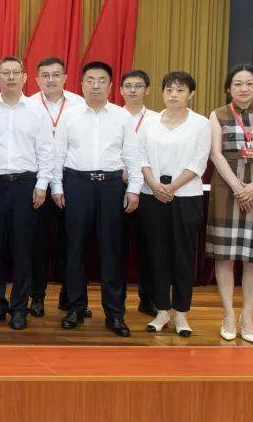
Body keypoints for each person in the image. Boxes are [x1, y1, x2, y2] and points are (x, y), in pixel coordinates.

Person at [51, 62, 142, 337]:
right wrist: (57, 186)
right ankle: (75, 308)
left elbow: (132, 155)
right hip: (77, 184)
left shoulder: (122, 116)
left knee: (112, 250)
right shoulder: (70, 116)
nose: (95, 85)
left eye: (101, 80)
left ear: (111, 86)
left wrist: (134, 188)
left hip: (111, 186)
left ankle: (115, 314)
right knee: (75, 249)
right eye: (90, 80)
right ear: (81, 84)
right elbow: (58, 153)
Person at [207, 64, 253, 343]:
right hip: (227, 188)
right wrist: (238, 188)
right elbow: (215, 154)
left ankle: (247, 316)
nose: (243, 88)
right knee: (224, 255)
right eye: (237, 84)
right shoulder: (218, 115)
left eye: (249, 83)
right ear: (228, 88)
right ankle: (228, 313)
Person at [0, 57, 53, 330]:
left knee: (24, 249)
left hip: (26, 185)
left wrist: (42, 184)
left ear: (24, 77)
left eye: (15, 73)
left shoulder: (37, 111)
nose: (10, 78)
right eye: (5, 73)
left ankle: (19, 307)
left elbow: (46, 150)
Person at [138, 71, 210, 337]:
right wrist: (155, 185)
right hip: (152, 195)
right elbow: (141, 157)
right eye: (169, 90)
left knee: (182, 255)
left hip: (186, 197)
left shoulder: (201, 124)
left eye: (180, 90)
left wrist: (172, 187)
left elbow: (198, 162)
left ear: (191, 94)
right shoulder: (150, 122)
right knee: (157, 254)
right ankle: (161, 311)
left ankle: (181, 313)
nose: (174, 95)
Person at [28, 57, 87, 318]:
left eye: (56, 75)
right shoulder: (29, 105)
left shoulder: (80, 105)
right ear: (37, 79)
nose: (51, 80)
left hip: (71, 181)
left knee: (73, 242)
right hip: (38, 182)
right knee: (36, 243)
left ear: (65, 78)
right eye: (45, 75)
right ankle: (37, 297)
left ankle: (70, 297)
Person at [119, 69, 158, 317]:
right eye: (128, 86)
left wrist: (142, 177)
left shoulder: (157, 120)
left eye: (138, 86)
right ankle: (117, 301)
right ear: (120, 90)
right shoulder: (112, 116)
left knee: (148, 247)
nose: (133, 90)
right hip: (117, 189)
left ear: (147, 90)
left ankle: (148, 299)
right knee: (117, 248)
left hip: (148, 191)